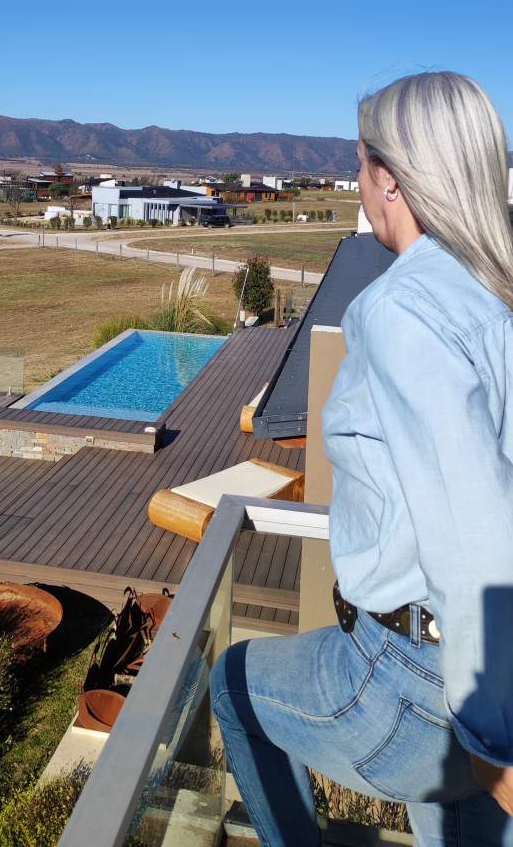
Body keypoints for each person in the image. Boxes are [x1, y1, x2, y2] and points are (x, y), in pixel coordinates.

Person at [211, 71, 513, 847]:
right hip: (477, 669)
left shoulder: (400, 311)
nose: (357, 180)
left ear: (391, 179)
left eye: (361, 163)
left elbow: (472, 521)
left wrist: (494, 737)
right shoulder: (494, 295)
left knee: (230, 686)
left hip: (418, 689)